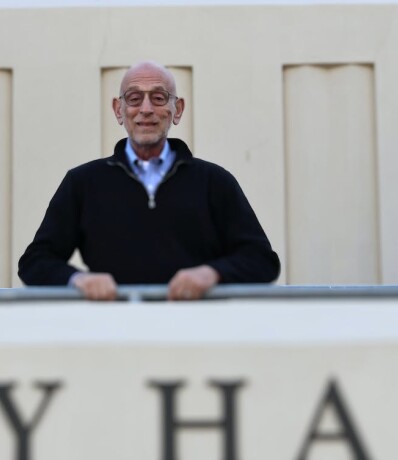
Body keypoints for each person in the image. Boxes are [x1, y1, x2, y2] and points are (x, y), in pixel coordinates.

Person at [18, 61, 280, 300]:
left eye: (158, 98)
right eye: (134, 98)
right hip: (112, 334)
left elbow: (261, 260)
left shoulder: (215, 181)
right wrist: (78, 279)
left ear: (176, 110)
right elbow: (35, 262)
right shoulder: (82, 182)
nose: (146, 109)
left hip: (196, 334)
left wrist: (212, 273)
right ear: (118, 110)